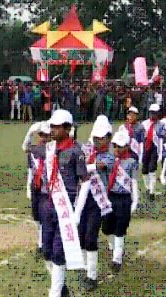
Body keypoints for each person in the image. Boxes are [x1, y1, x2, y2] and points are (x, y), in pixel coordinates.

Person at [41, 109, 87, 297]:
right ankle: (61, 288)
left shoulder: (76, 151)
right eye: (51, 126)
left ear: (67, 128)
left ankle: (55, 292)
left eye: (56, 126)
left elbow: (84, 182)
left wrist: (77, 213)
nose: (52, 130)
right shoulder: (50, 148)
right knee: (46, 250)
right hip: (49, 204)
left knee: (59, 253)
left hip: (66, 208)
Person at [77, 116, 113, 290]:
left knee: (91, 235)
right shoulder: (86, 148)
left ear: (109, 138)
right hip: (82, 199)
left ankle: (92, 275)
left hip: (97, 202)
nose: (99, 141)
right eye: (96, 137)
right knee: (80, 234)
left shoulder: (110, 156)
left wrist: (82, 163)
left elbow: (98, 166)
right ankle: (84, 267)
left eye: (102, 138)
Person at [101, 130, 139, 273]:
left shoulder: (131, 162)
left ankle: (117, 258)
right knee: (106, 227)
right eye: (115, 145)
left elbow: (134, 182)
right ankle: (114, 247)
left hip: (123, 198)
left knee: (119, 229)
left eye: (120, 146)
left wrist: (135, 201)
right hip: (110, 196)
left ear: (127, 147)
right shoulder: (109, 159)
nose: (117, 149)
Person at [22, 121, 51, 260]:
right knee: (37, 216)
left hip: (48, 189)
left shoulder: (53, 150)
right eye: (42, 135)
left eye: (47, 135)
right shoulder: (33, 150)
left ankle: (43, 244)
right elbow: (30, 171)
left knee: (45, 216)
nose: (44, 138)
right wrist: (29, 133)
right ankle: (41, 241)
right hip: (36, 187)